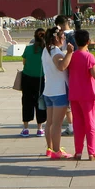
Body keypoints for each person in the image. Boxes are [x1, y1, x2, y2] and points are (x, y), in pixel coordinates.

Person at [68, 29, 95, 160]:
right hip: (88, 94)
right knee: (90, 124)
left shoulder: (72, 56)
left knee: (78, 124)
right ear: (88, 41)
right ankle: (92, 152)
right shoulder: (89, 56)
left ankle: (78, 152)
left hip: (74, 94)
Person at [41, 26, 74, 159]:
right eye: (63, 37)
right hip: (59, 91)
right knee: (57, 124)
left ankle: (50, 148)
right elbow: (61, 66)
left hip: (48, 90)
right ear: (57, 38)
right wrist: (69, 53)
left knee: (49, 122)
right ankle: (56, 151)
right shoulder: (55, 51)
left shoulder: (46, 50)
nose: (64, 40)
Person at [20, 28, 47, 137]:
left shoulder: (28, 49)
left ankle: (26, 128)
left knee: (26, 102)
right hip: (40, 79)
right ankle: (40, 128)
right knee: (40, 102)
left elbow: (24, 63)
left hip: (27, 78)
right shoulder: (45, 51)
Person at [53, 15, 75, 135]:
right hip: (76, 68)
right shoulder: (76, 33)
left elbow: (65, 52)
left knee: (67, 99)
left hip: (67, 67)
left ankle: (71, 124)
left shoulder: (63, 36)